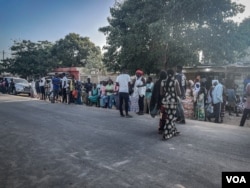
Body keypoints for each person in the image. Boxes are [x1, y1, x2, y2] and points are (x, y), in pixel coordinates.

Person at [160, 69, 181, 140]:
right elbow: (179, 93)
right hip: (173, 102)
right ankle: (166, 134)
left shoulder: (163, 81)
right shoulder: (175, 81)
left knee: (169, 116)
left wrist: (167, 93)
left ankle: (174, 131)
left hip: (165, 101)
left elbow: (161, 93)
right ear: (174, 74)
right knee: (170, 118)